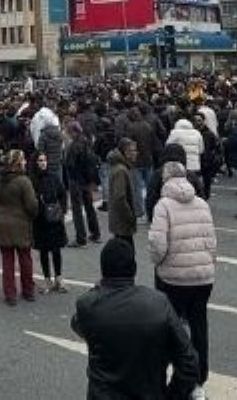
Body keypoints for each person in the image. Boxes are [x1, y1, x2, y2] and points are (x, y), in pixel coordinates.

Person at [70, 237, 198, 399]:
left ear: (103, 270)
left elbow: (77, 325)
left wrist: (98, 289)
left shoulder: (88, 305)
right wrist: (173, 395)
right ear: (134, 269)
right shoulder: (159, 303)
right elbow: (189, 361)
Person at [148, 161, 216, 395]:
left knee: (171, 329)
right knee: (199, 327)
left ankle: (178, 377)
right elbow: (212, 240)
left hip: (174, 276)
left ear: (165, 179)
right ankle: (198, 378)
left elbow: (157, 243)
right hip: (203, 275)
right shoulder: (202, 203)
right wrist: (208, 262)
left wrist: (158, 263)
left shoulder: (163, 205)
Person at [0, 148, 39, 305]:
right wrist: (32, 216)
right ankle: (28, 291)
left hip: (3, 223)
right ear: (19, 162)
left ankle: (10, 294)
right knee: (25, 259)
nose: (25, 162)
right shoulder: (24, 181)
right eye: (23, 159)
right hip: (21, 223)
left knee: (7, 261)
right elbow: (32, 205)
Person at [30, 151, 69, 294]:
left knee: (56, 249)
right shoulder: (32, 180)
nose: (43, 163)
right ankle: (47, 279)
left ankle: (59, 278)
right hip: (40, 220)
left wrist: (62, 210)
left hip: (54, 218)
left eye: (44, 160)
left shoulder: (53, 177)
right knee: (44, 251)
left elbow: (62, 193)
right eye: (40, 160)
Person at [62, 123, 101, 247]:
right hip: (87, 180)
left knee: (77, 209)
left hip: (76, 180)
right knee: (89, 206)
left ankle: (81, 238)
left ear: (73, 132)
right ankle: (95, 233)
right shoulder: (87, 141)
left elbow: (70, 164)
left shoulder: (74, 146)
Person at [106, 138, 139, 239]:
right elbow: (120, 197)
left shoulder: (121, 168)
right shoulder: (121, 170)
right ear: (126, 152)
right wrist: (130, 216)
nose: (136, 153)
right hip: (122, 224)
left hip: (120, 223)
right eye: (133, 150)